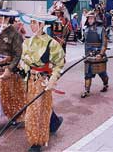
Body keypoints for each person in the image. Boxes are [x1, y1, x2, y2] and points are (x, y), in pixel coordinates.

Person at [20, 10, 65, 152]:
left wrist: (53, 79)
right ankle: (54, 122)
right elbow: (24, 59)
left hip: (43, 82)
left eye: (34, 22)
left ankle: (37, 142)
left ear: (41, 24)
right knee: (41, 108)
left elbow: (59, 63)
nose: (32, 25)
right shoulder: (28, 41)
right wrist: (23, 66)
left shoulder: (52, 44)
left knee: (35, 112)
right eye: (31, 22)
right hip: (29, 81)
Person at [81, 11, 109, 98]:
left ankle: (105, 84)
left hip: (98, 55)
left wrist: (101, 54)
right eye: (88, 18)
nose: (89, 20)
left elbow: (104, 43)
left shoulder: (101, 29)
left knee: (102, 74)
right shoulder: (86, 29)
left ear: (96, 19)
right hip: (89, 55)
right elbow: (86, 43)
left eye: (91, 18)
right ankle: (87, 90)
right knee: (87, 74)